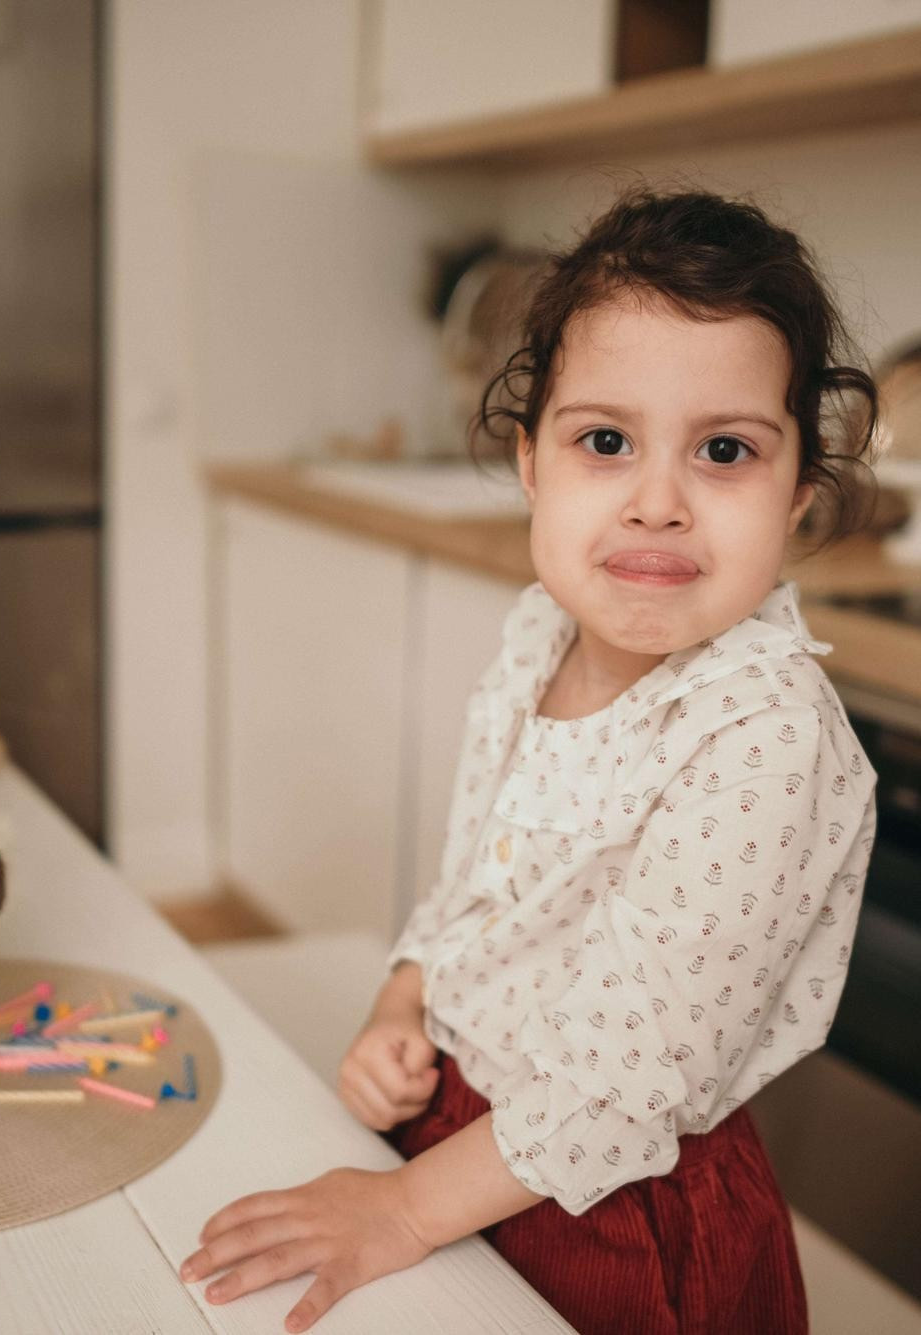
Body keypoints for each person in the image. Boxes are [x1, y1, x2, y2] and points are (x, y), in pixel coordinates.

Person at [180, 189, 882, 1333]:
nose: (656, 503)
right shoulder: (535, 636)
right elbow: (471, 887)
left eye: (723, 451)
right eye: (605, 441)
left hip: (613, 1204)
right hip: (459, 1138)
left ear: (798, 492)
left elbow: (621, 1086)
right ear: (530, 465)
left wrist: (403, 1210)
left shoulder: (764, 737)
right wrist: (402, 1004)